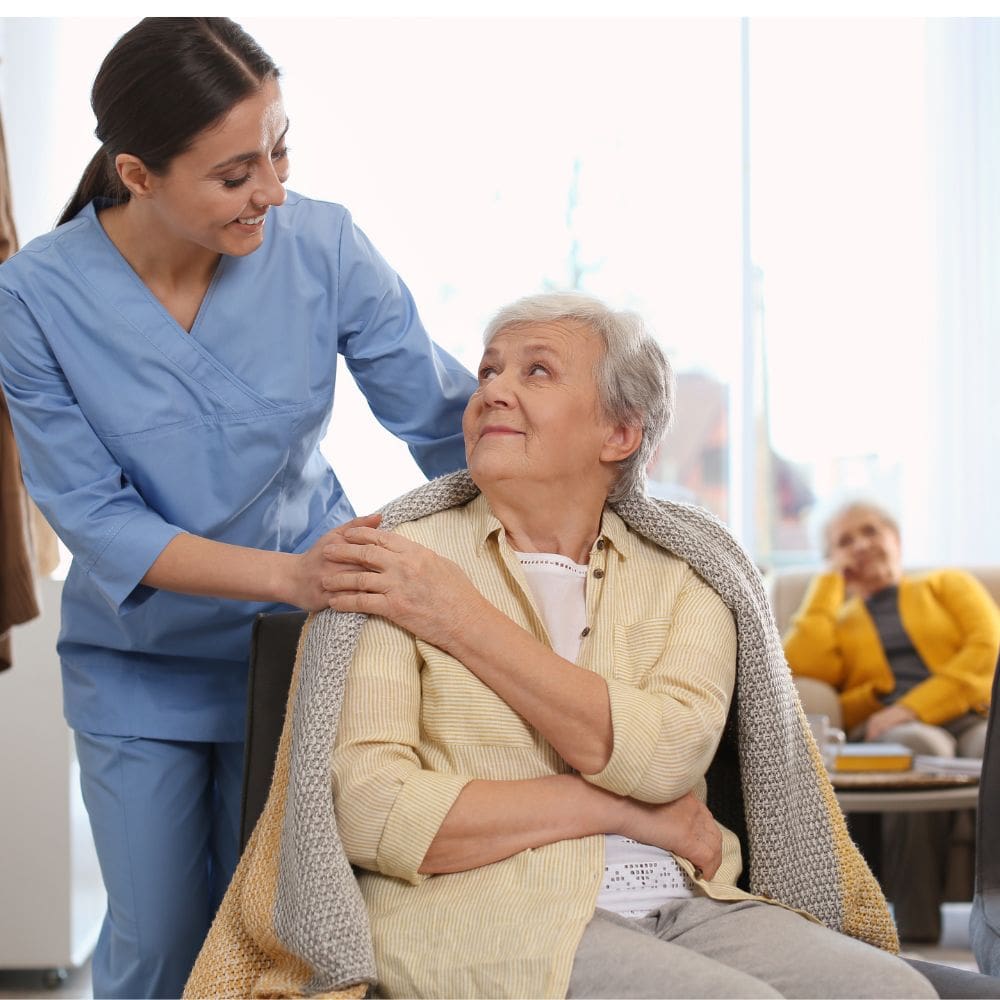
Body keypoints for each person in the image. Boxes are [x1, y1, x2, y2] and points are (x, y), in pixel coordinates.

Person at [0, 18, 475, 1000]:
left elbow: (439, 415)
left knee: (288, 942)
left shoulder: (322, 245)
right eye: (234, 173)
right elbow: (92, 514)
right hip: (143, 668)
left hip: (309, 654)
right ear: (137, 173)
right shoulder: (32, 297)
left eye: (280, 148)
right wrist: (288, 575)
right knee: (164, 945)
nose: (272, 189)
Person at [315, 292, 935, 998]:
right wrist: (621, 811)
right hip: (489, 911)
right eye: (488, 371)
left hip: (689, 902)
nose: (492, 390)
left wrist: (461, 617)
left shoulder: (690, 573)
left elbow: (667, 757)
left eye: (536, 372)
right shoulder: (401, 564)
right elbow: (372, 810)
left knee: (898, 993)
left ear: (619, 433)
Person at [783, 500, 1000, 941]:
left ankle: (993, 917)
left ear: (895, 539)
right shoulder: (840, 621)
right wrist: (827, 581)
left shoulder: (947, 584)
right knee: (921, 747)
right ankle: (916, 932)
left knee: (988, 750)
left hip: (972, 714)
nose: (861, 545)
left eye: (870, 531)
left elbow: (986, 650)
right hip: (895, 731)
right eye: (845, 542)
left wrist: (914, 706)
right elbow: (799, 665)